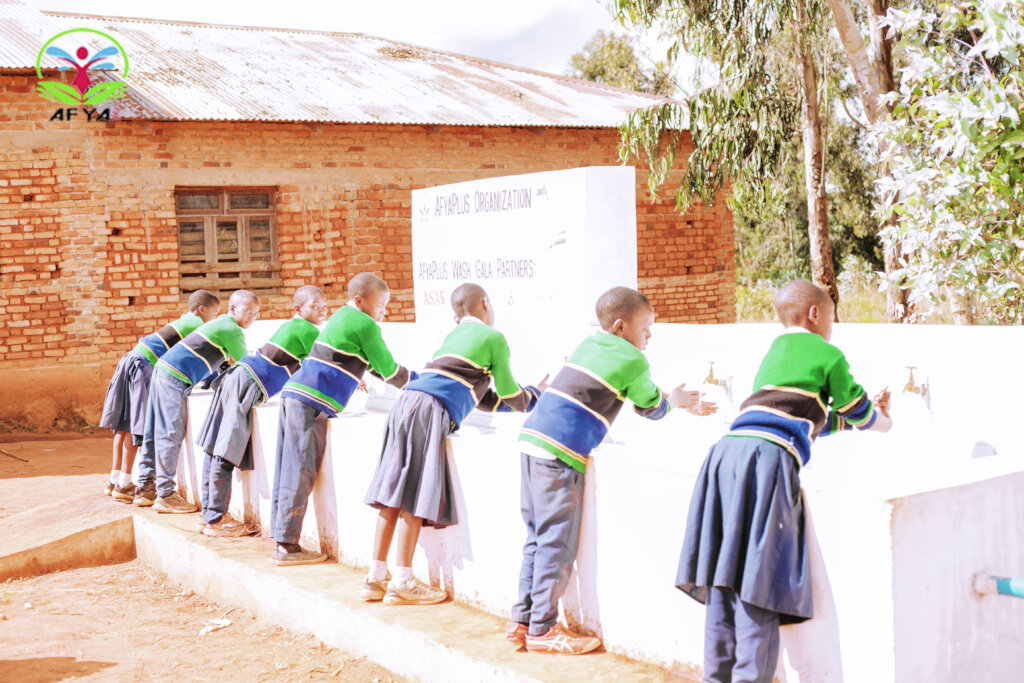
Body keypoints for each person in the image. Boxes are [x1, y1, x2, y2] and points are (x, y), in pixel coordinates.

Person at [676, 280, 892, 683]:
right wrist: (883, 421)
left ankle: (717, 677)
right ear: (814, 314)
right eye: (831, 317)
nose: (832, 325)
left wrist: (849, 421)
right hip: (766, 459)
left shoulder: (775, 351)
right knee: (760, 576)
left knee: (725, 578)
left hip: (725, 455)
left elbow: (803, 418)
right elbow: (858, 410)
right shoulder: (827, 353)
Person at [507, 286, 717, 654]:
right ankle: (542, 629)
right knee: (557, 542)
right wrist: (677, 401)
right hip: (560, 451)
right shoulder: (634, 359)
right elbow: (650, 407)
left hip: (531, 442)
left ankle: (521, 621)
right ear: (621, 326)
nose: (649, 337)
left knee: (536, 538)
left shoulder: (590, 344)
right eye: (645, 328)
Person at [362, 283, 543, 606]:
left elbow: (485, 399)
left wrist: (524, 397)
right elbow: (513, 397)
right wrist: (539, 395)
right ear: (486, 303)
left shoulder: (455, 336)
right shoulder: (493, 337)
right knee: (413, 493)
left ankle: (376, 577)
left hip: (407, 403)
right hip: (429, 411)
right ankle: (402, 580)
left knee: (392, 492)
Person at [271, 273, 415, 566]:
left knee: (287, 467)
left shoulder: (343, 317)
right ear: (361, 301)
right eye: (380, 306)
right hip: (312, 401)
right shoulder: (364, 323)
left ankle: (281, 538)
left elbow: (371, 364)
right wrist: (421, 383)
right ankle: (286, 547)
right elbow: (388, 370)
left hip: (294, 395)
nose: (383, 313)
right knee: (301, 470)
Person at [195, 285, 328, 537]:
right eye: (315, 306)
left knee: (216, 447)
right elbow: (322, 363)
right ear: (299, 308)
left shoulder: (290, 326)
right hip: (250, 381)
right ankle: (216, 521)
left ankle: (208, 515)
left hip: (237, 376)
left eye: (324, 306)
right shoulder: (308, 330)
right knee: (227, 448)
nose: (321, 311)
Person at [133, 290, 260, 513]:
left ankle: (146, 488)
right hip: (174, 377)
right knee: (171, 432)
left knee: (154, 431)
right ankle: (165, 495)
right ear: (232, 309)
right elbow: (247, 366)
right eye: (247, 310)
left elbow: (214, 364)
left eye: (256, 313)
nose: (252, 316)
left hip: (163, 370)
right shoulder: (232, 329)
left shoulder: (220, 324)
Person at [99, 290, 219, 501]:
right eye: (214, 313)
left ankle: (114, 481)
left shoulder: (184, 320)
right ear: (202, 310)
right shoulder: (197, 326)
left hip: (132, 358)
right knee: (138, 427)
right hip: (145, 365)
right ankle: (125, 484)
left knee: (124, 424)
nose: (215, 319)